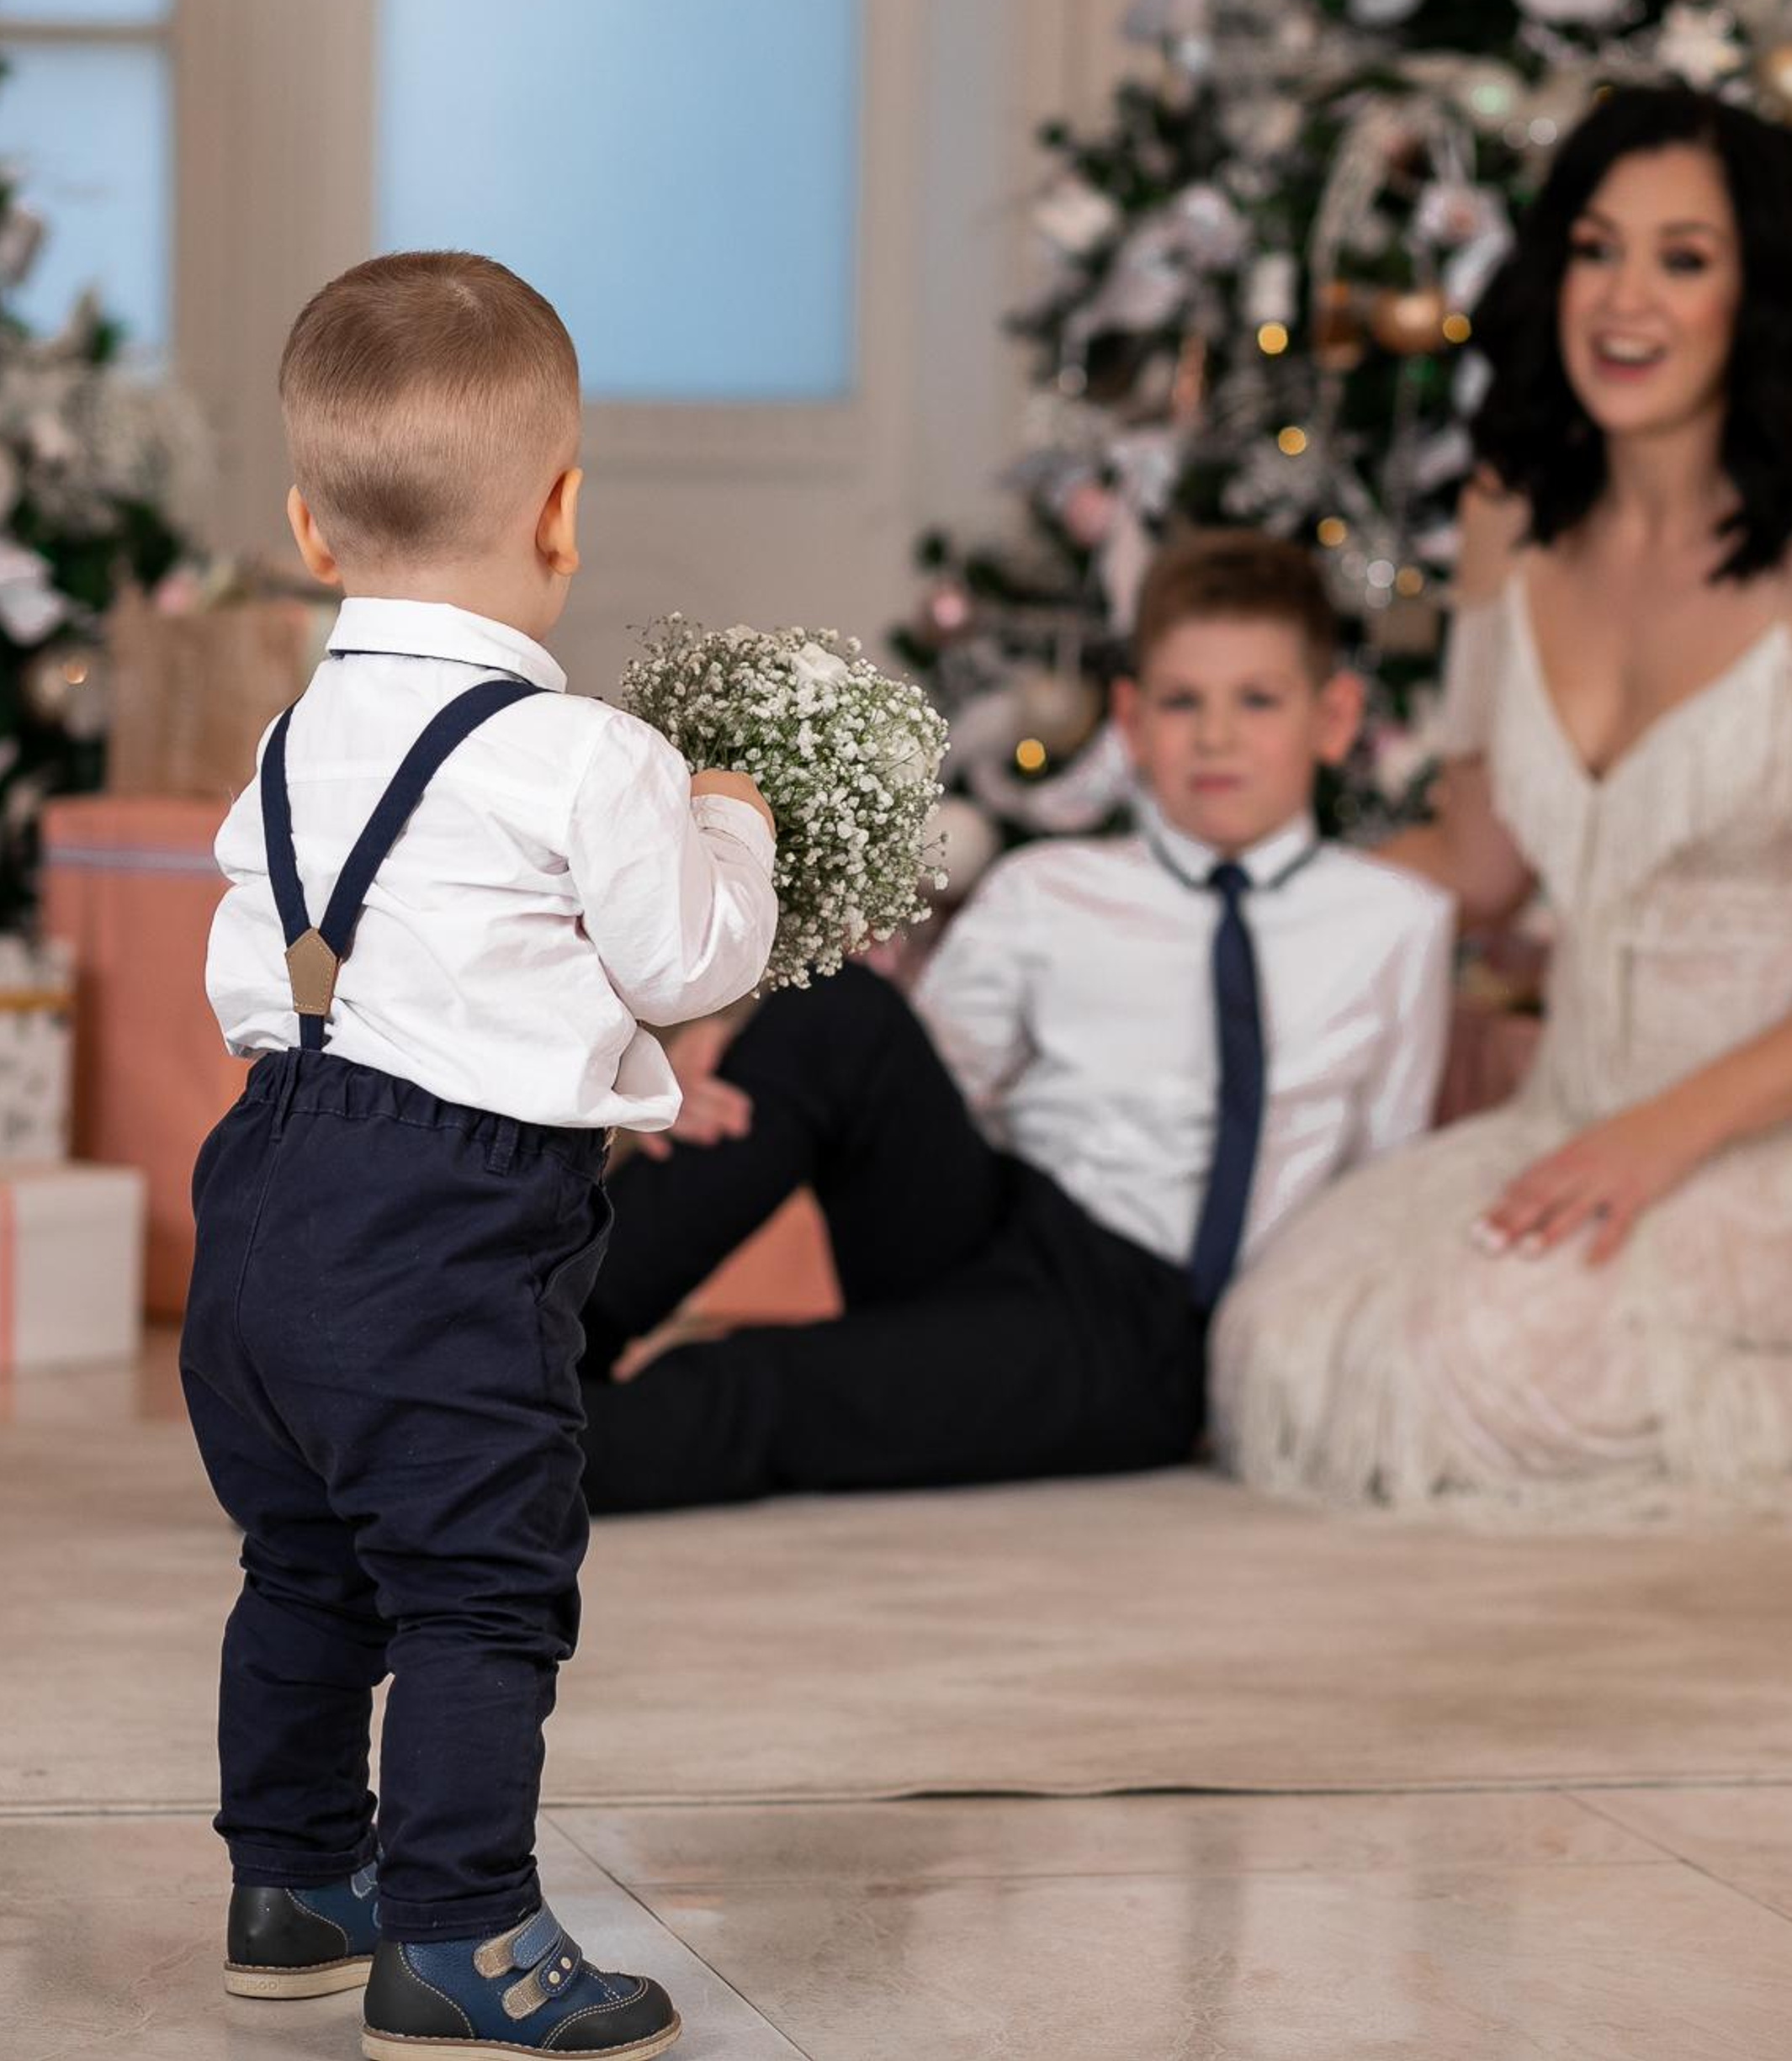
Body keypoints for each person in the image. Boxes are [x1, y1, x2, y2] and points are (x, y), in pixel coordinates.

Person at [1211, 85, 1792, 1522]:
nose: (1626, 300)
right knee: (1275, 1339)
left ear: (1752, 297)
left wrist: (1665, 1135)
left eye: (1683, 258)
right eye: (1597, 250)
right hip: (1574, 1106)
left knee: (1469, 1373)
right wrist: (1241, 896)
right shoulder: (1514, 513)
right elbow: (1480, 862)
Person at [181, 252, 777, 2060]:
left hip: (261, 1193)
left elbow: (249, 969)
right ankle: (462, 1931)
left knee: (306, 1565)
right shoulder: (585, 756)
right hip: (442, 1225)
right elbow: (690, 965)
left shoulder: (291, 738)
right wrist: (730, 827)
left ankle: (294, 1884)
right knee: (478, 1585)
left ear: (309, 526)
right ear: (562, 510)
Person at [574, 530, 1455, 1513]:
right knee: (839, 1012)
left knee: (768, 1385)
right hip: (1004, 1226)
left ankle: (494, 1461)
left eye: (1257, 700)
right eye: (1181, 701)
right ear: (1130, 720)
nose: (1216, 736)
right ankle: (535, 1338)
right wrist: (750, 1068)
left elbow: (1387, 1182)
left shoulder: (1396, 924)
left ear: (1334, 719)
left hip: (1141, 1323)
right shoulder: (1050, 888)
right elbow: (916, 1084)